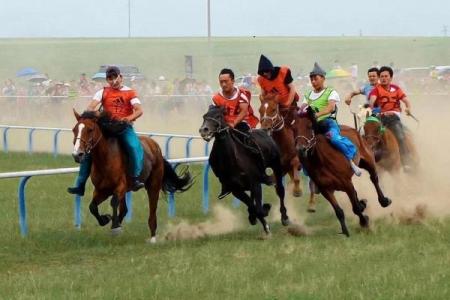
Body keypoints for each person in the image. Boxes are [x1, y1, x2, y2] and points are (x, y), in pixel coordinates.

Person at [68, 66, 145, 196]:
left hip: (123, 127)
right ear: (107, 80)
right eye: (110, 78)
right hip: (106, 126)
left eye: (115, 77)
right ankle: (80, 185)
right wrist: (96, 113)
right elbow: (91, 106)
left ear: (121, 77)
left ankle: (135, 178)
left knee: (133, 146)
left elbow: (139, 110)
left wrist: (128, 118)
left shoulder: (130, 92)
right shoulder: (102, 92)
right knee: (89, 152)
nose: (113, 81)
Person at [303, 62, 362, 176]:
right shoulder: (308, 94)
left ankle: (351, 157)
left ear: (323, 78)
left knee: (334, 139)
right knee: (301, 145)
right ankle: (309, 172)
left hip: (328, 123)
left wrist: (316, 115)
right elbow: (303, 108)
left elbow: (330, 108)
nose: (313, 82)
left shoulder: (331, 92)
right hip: (312, 126)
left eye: (316, 79)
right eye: (312, 80)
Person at [212, 68, 259, 199]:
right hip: (224, 128)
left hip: (241, 124)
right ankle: (225, 184)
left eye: (226, 81)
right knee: (213, 158)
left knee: (250, 145)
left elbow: (243, 112)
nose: (223, 84)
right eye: (221, 82)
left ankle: (259, 171)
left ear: (232, 81)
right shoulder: (216, 98)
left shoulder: (241, 94)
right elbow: (214, 114)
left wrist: (234, 123)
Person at [368, 66, 413, 170]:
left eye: (386, 76)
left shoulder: (396, 88)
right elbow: (372, 101)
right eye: (382, 76)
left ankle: (406, 161)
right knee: (368, 133)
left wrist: (408, 108)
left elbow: (406, 100)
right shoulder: (376, 90)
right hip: (380, 116)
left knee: (400, 136)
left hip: (394, 116)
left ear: (390, 77)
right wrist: (373, 107)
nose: (383, 78)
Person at [257, 54, 299, 124]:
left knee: (295, 119)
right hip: (274, 107)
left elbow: (292, 88)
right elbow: (264, 95)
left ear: (270, 69)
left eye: (266, 72)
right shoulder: (261, 79)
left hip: (289, 104)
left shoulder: (283, 72)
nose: (265, 74)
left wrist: (288, 103)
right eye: (263, 73)